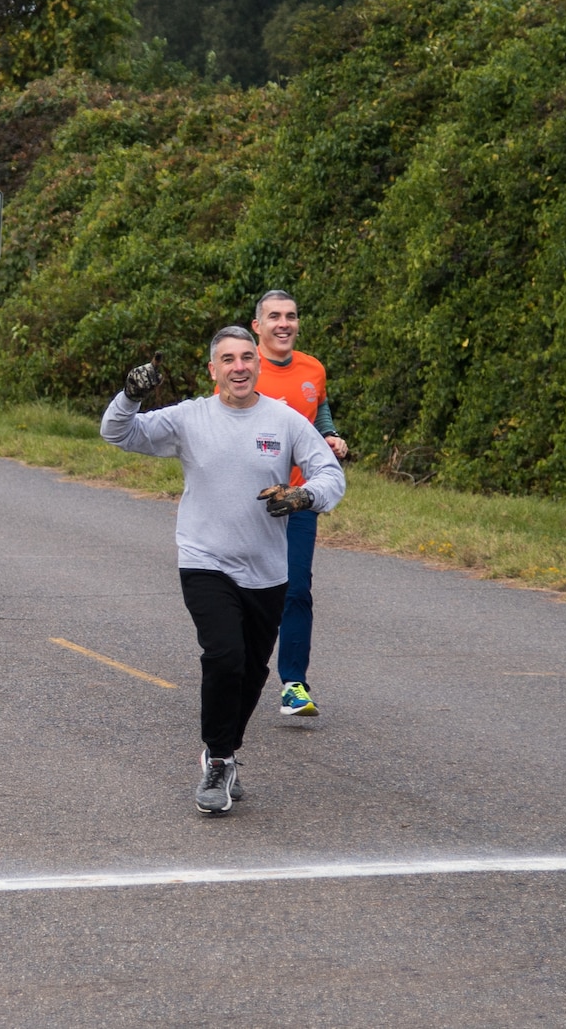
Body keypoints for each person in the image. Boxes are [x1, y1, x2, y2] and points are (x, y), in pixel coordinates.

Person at [101, 327, 345, 815]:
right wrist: (130, 395)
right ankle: (217, 758)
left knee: (253, 671)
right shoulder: (190, 418)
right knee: (224, 656)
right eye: (227, 359)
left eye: (246, 358)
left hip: (267, 570)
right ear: (213, 370)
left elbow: (330, 474)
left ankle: (226, 752)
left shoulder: (285, 421)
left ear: (258, 365)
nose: (238, 366)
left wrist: (303, 496)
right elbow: (118, 432)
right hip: (205, 560)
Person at [250, 289, 350, 718]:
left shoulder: (313, 368)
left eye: (290, 316)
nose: (283, 324)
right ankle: (241, 665)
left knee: (296, 590)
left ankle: (293, 684)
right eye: (274, 316)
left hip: (300, 497)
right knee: (249, 590)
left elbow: (318, 410)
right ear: (258, 326)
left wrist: (330, 438)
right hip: (249, 501)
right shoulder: (243, 367)